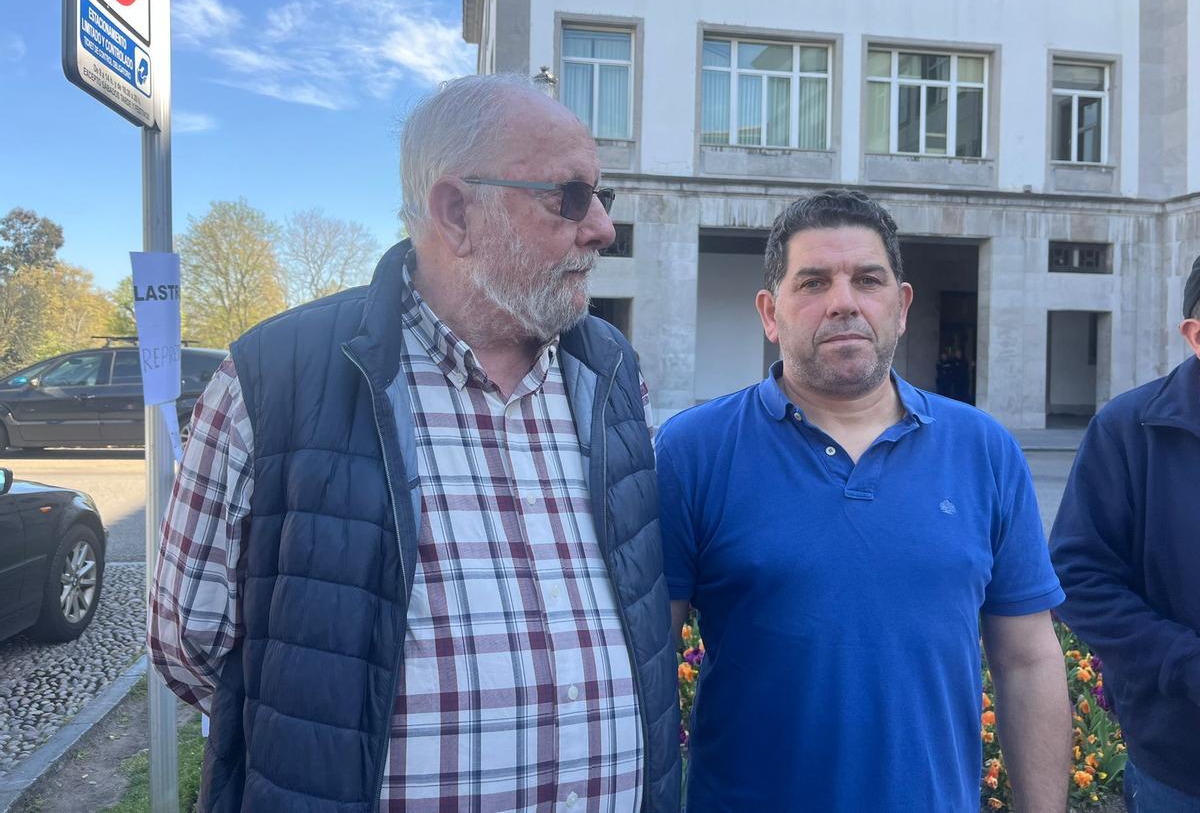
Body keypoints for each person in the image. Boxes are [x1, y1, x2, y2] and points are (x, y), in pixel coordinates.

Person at [149, 73, 680, 812]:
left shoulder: (613, 374)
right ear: (456, 212)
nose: (601, 228)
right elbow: (190, 643)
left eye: (601, 197)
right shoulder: (276, 378)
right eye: (567, 197)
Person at [656, 189, 1071, 811]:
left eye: (868, 280)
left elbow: (1030, 660)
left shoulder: (983, 449)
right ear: (771, 313)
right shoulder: (694, 451)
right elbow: (646, 665)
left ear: (900, 306)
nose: (844, 302)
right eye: (814, 282)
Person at [1050, 254, 1200, 812]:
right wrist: (1183, 664)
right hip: (1181, 765)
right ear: (1195, 334)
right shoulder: (1130, 430)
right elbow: (1077, 575)